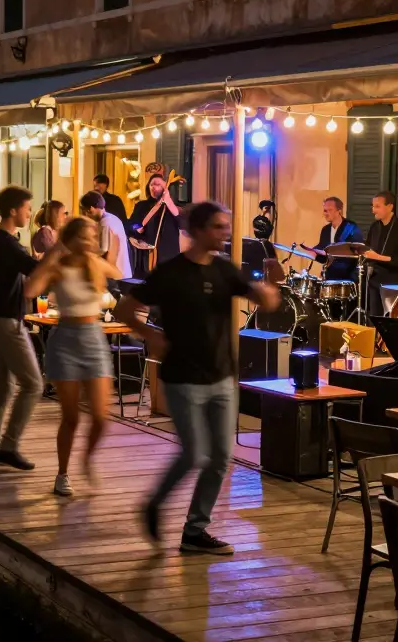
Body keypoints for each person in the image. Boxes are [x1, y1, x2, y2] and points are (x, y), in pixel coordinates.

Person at [117, 201, 280, 555]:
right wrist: (151, 335)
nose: (226, 233)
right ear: (200, 231)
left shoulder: (224, 270)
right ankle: (154, 503)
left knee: (220, 456)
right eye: (220, 227)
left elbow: (264, 302)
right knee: (195, 453)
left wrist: (272, 281)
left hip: (222, 376)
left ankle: (194, 532)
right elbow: (125, 309)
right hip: (182, 377)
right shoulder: (171, 272)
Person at [25, 217, 122, 496]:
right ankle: (62, 473)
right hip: (66, 339)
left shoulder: (95, 264)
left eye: (92, 236)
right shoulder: (58, 267)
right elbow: (30, 290)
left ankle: (88, 458)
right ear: (70, 239)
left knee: (102, 416)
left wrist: (114, 246)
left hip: (94, 339)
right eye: (83, 236)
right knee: (71, 417)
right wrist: (53, 252)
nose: (89, 241)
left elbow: (117, 271)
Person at [0, 186, 44, 471]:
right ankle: (9, 446)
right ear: (14, 210)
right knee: (34, 384)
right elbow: (34, 269)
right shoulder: (6, 242)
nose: (30, 213)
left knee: (4, 386)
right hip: (5, 321)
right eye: (28, 208)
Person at [362, 190, 398, 317]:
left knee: (389, 318)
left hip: (392, 283)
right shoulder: (374, 227)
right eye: (372, 206)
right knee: (373, 317)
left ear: (390, 206)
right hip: (373, 280)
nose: (373, 210)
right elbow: (368, 249)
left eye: (377, 206)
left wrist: (378, 257)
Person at [300, 197, 362, 280]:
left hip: (347, 276)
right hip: (329, 275)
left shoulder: (351, 227)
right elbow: (323, 253)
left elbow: (356, 252)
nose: (326, 213)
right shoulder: (325, 230)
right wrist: (313, 253)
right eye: (325, 210)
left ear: (339, 210)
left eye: (329, 210)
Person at [129, 173, 181, 273]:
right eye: (151, 184)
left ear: (166, 188)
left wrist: (168, 202)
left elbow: (181, 223)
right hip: (146, 255)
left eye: (158, 184)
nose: (154, 187)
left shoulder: (173, 206)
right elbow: (131, 224)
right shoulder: (141, 205)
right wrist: (138, 228)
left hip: (168, 255)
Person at [80, 191, 133, 280]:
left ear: (91, 209)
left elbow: (104, 250)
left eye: (85, 211)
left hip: (115, 276)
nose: (85, 215)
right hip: (120, 273)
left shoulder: (106, 223)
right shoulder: (111, 218)